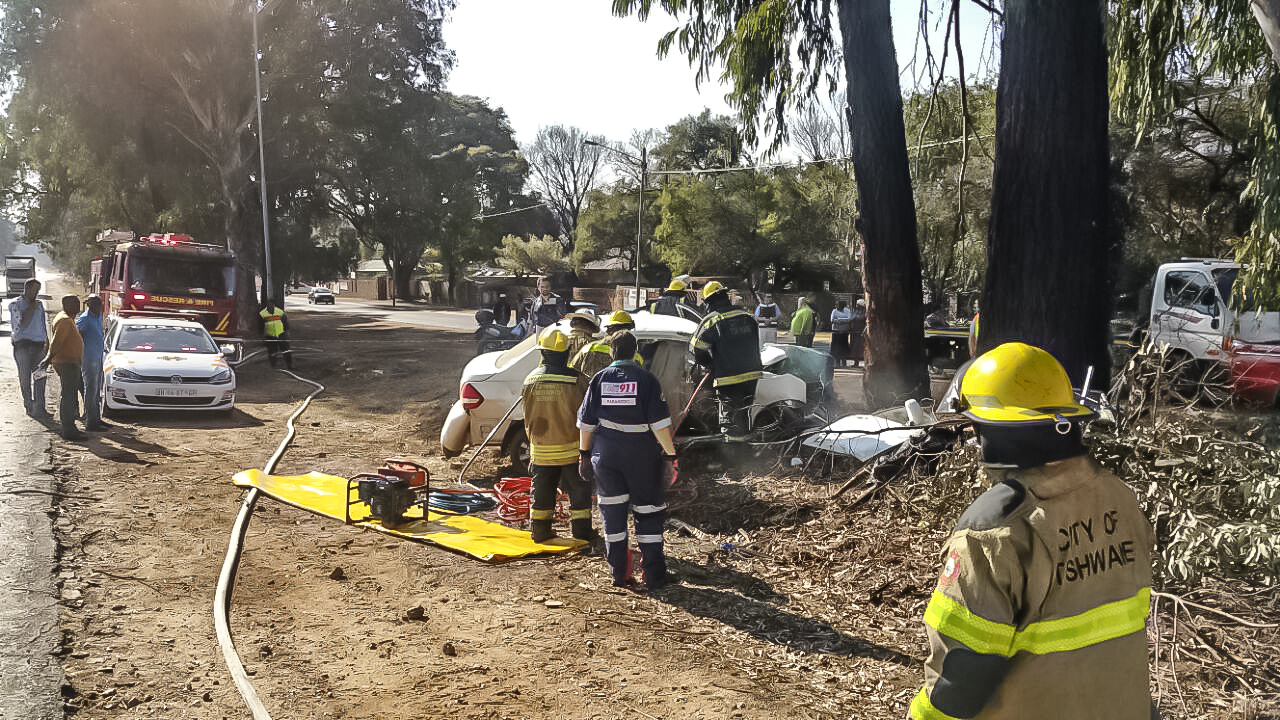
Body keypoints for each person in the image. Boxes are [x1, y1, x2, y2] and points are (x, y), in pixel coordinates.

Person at [912, 342, 1154, 720]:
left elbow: (964, 672)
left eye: (977, 426)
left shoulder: (993, 531)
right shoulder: (1119, 498)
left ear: (995, 429)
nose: (974, 439)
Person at [577, 330, 677, 591]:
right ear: (635, 352)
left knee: (613, 517)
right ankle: (654, 578)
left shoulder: (599, 380)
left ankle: (619, 575)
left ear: (612, 352)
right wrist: (670, 455)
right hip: (642, 457)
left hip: (606, 457)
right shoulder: (647, 379)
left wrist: (584, 456)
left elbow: (586, 424)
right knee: (648, 514)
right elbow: (659, 425)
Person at [521, 328, 593, 544]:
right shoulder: (578, 381)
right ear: (567, 352)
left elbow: (527, 415)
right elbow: (586, 415)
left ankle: (540, 532)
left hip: (541, 449)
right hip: (572, 449)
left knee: (542, 491)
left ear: (543, 352)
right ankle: (581, 533)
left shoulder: (530, 380)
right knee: (579, 492)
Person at [690, 281, 762, 442]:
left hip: (728, 377)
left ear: (708, 302)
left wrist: (710, 364)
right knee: (743, 413)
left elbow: (696, 349)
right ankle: (746, 451)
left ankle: (734, 457)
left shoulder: (712, 320)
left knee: (730, 421)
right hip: (752, 375)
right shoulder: (747, 317)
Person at [41, 294, 86, 440]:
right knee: (68, 395)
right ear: (66, 304)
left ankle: (70, 426)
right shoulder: (65, 320)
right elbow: (57, 341)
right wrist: (48, 357)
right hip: (67, 363)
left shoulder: (67, 318)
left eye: (78, 303)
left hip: (70, 362)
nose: (78, 306)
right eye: (74, 303)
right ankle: (68, 429)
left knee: (70, 394)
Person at [9, 277, 50, 419]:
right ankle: (29, 404)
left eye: (38, 290)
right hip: (23, 347)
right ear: (26, 289)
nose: (36, 293)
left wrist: (47, 341)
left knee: (40, 378)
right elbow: (21, 324)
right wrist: (30, 307)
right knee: (25, 378)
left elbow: (42, 324)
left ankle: (40, 407)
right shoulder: (16, 304)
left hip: (39, 347)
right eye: (33, 289)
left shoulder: (39, 305)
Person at [571, 310, 643, 380]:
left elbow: (571, 371)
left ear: (609, 329)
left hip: (591, 390)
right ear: (629, 330)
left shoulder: (588, 348)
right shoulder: (636, 357)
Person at [75, 296, 108, 431]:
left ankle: (97, 418)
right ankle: (90, 421)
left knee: (96, 391)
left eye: (100, 303)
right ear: (88, 304)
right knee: (90, 390)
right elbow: (78, 337)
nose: (98, 306)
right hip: (89, 358)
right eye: (95, 303)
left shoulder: (98, 316)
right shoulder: (85, 319)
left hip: (99, 357)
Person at [259, 299, 293, 370]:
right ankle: (273, 366)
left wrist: (287, 332)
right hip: (270, 336)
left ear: (274, 305)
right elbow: (260, 326)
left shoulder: (279, 312)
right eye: (269, 305)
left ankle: (289, 365)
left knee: (286, 350)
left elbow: (285, 323)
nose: (270, 306)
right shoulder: (262, 314)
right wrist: (262, 336)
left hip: (281, 334)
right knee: (272, 352)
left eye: (271, 305)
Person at [829, 300, 852, 368]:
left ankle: (844, 363)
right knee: (836, 348)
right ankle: (837, 363)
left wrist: (838, 320)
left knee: (844, 347)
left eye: (838, 305)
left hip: (844, 332)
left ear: (842, 305)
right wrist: (842, 320)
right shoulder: (834, 311)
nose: (836, 306)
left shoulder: (847, 310)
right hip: (836, 332)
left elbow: (849, 319)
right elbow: (832, 320)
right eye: (836, 305)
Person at [849, 298, 867, 367]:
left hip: (862, 332)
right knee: (856, 347)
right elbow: (851, 319)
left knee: (861, 347)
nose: (857, 306)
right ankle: (856, 362)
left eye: (858, 305)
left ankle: (864, 362)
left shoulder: (865, 313)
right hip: (856, 332)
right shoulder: (856, 312)